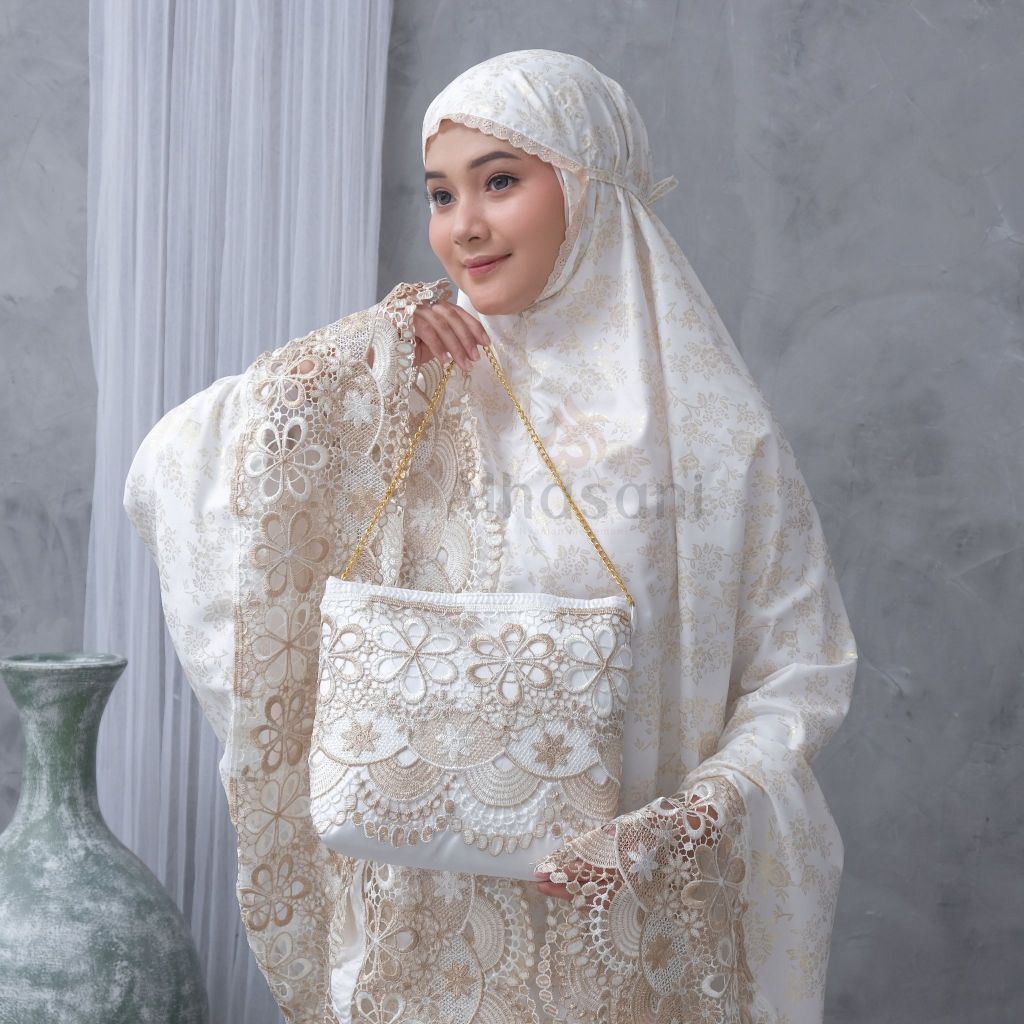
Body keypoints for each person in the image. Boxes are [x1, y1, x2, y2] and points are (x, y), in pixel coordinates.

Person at [125, 49, 857, 1024]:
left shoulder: (718, 441)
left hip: (626, 936)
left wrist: (686, 822)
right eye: (441, 194)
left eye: (499, 181)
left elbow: (800, 672)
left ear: (590, 188)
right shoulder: (412, 384)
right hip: (426, 948)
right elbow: (172, 464)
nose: (461, 225)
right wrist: (356, 355)